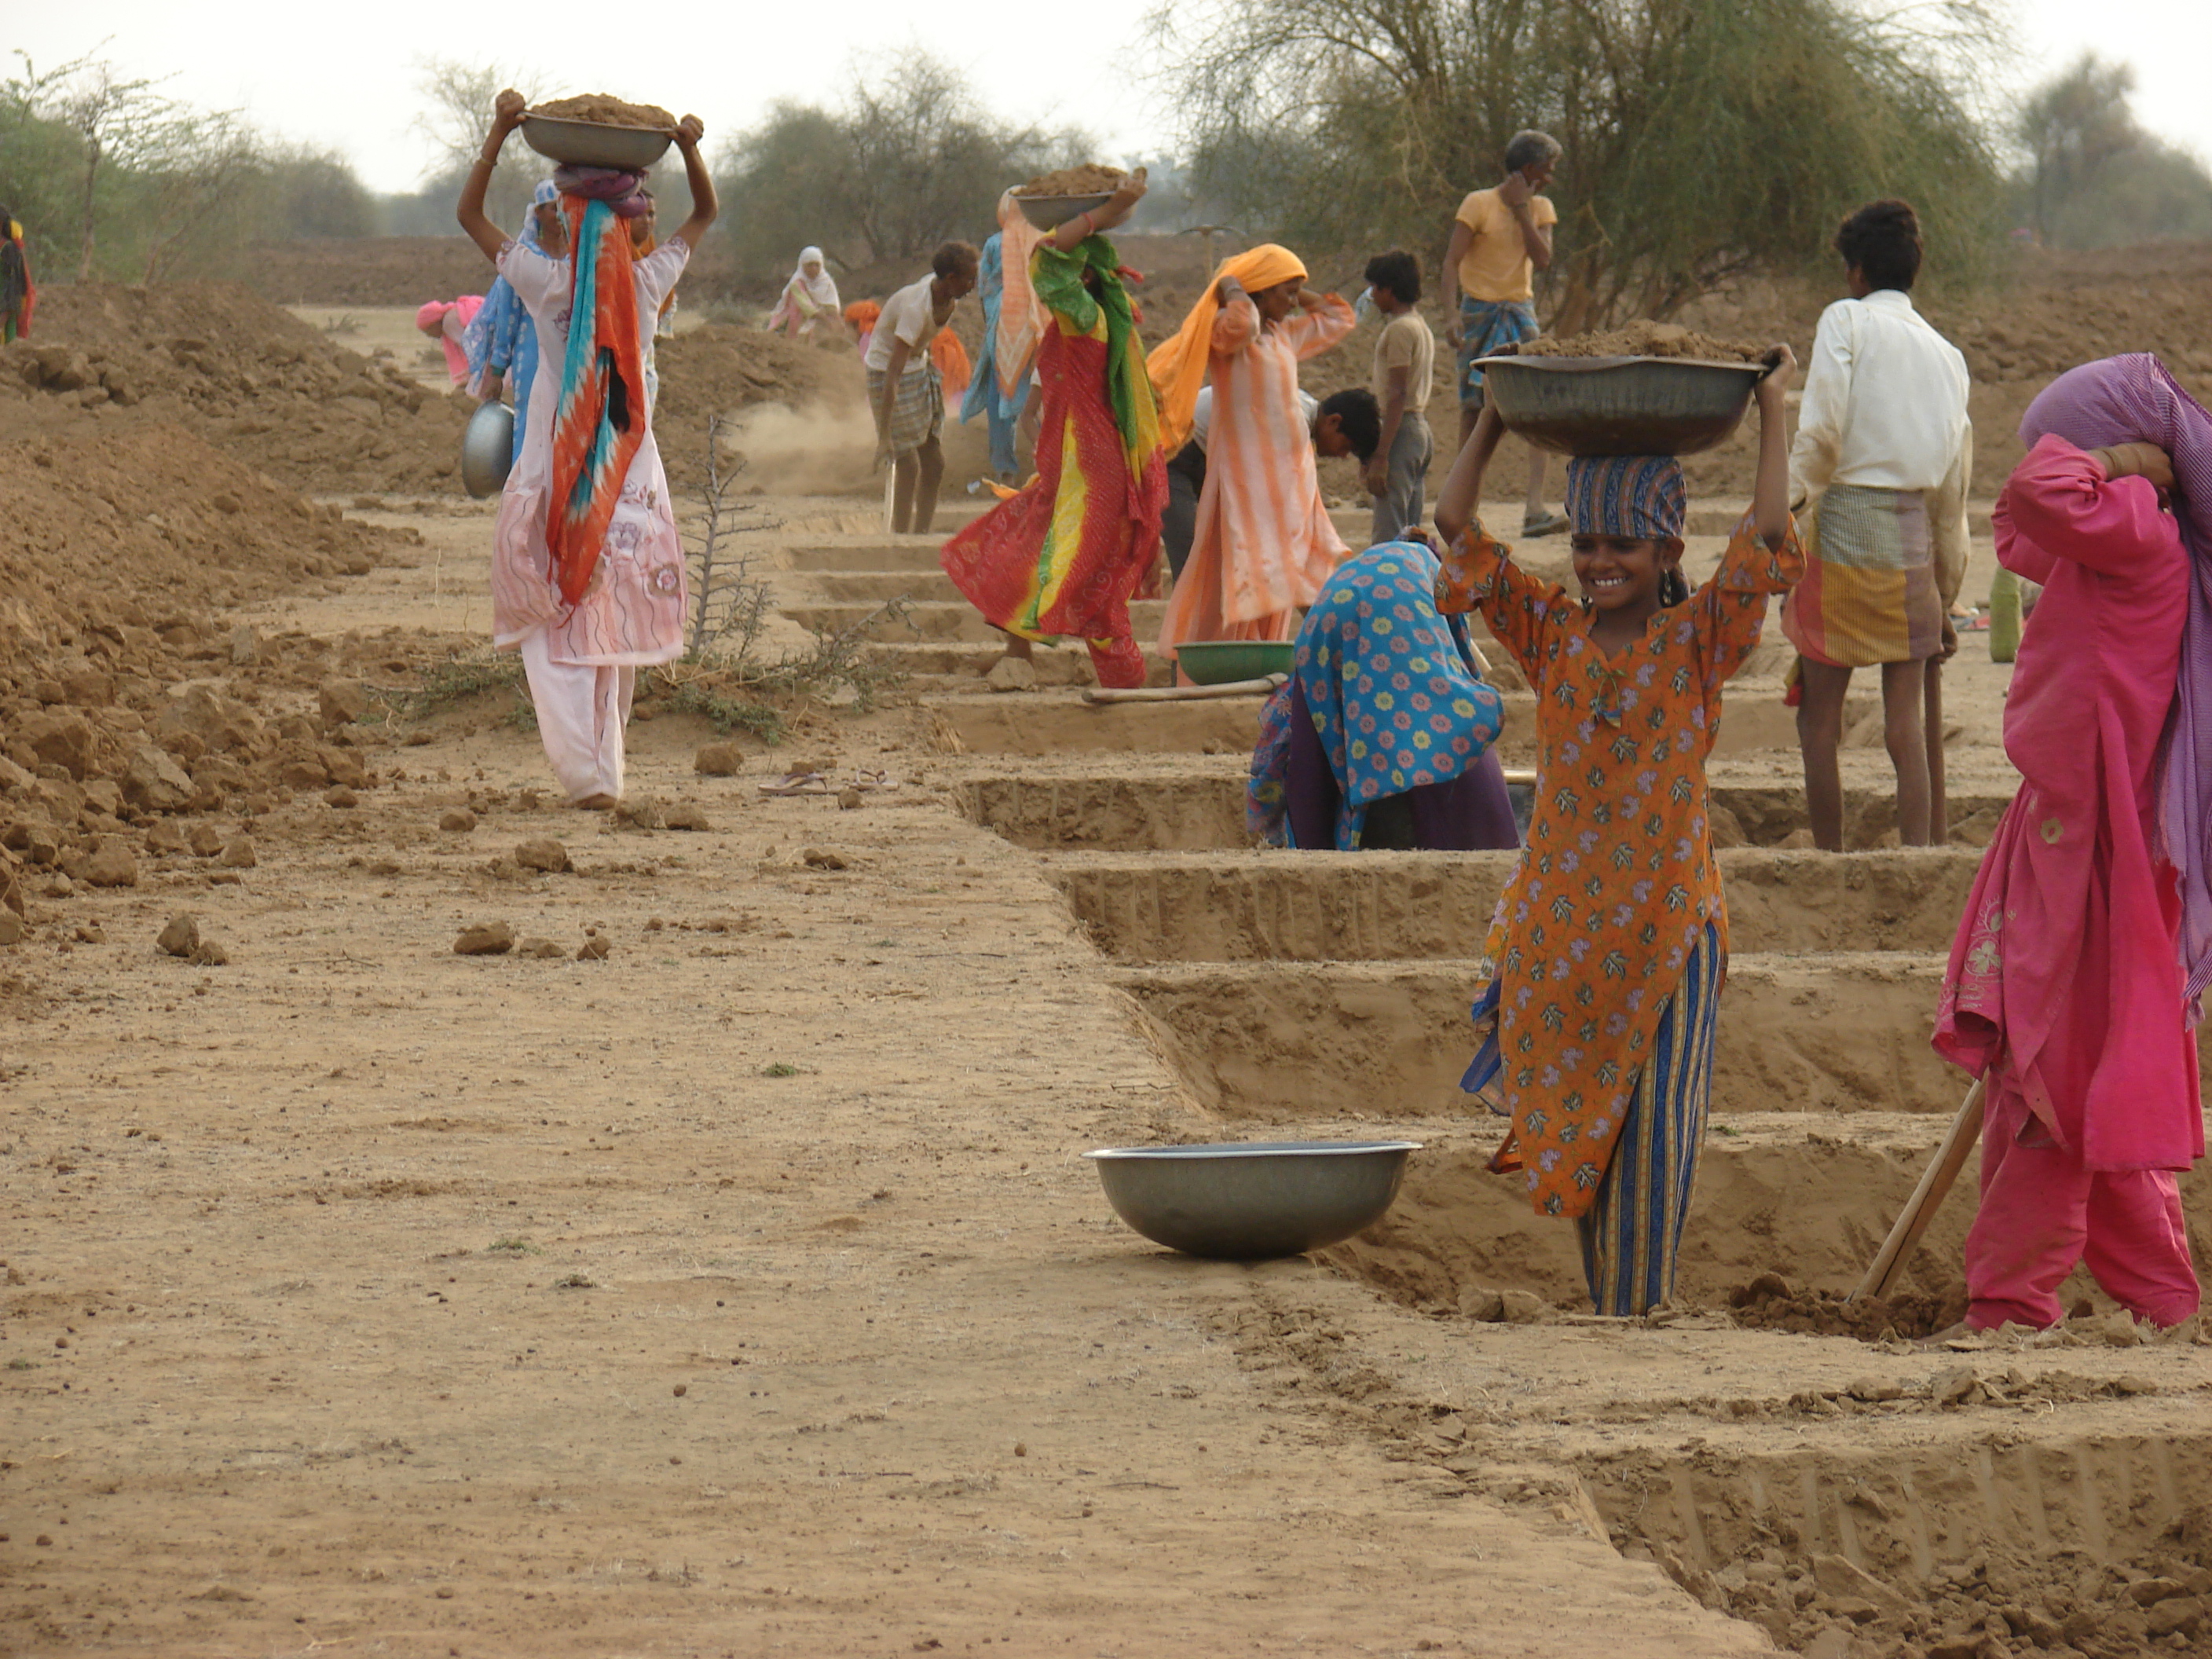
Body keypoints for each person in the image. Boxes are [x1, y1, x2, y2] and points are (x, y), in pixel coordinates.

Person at [1429, 346, 1803, 1316]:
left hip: (1668, 931)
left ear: (1666, 555)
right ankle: (1613, 1319)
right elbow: (1454, 523)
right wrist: (1496, 413)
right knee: (1583, 1129)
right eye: (1585, 545)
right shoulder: (1547, 634)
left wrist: (1771, 410)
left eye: (1621, 548)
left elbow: (1768, 530)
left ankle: (1631, 1319)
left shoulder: (1697, 642)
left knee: (1658, 1132)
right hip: (1560, 932)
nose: (1598, 564)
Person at [1932, 354, 2207, 1333]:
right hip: (2071, 836)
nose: (2062, 461)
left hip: (2094, 849)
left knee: (2049, 1079)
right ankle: (2162, 1299)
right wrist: (2111, 459)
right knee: (2084, 1075)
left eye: (2077, 445)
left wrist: (2130, 455)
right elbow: (2019, 528)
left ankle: (2009, 1303)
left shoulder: (2139, 534)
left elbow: (2035, 493)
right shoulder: (2111, 542)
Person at [456, 89, 718, 808]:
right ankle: (605, 768)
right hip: (630, 479)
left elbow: (469, 217)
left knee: (553, 619)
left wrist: (500, 131)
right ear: (629, 225)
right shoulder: (645, 283)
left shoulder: (546, 284)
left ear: (567, 219)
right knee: (614, 622)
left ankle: (587, 777)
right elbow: (705, 215)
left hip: (550, 473)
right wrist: (690, 148)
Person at [1784, 200, 1973, 851]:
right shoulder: (1948, 356)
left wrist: (1784, 511)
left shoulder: (1846, 320)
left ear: (1856, 271)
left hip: (1842, 533)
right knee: (1906, 728)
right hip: (1914, 541)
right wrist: (1944, 593)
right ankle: (1919, 858)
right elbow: (1952, 492)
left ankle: (1830, 859)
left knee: (1818, 720)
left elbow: (1823, 434)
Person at [939, 170, 1166, 689]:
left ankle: (1058, 658)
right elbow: (1051, 259)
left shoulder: (1087, 317)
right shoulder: (1099, 318)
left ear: (1080, 280)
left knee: (1074, 553)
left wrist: (1107, 212)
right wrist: (1108, 213)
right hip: (1086, 455)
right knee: (1040, 537)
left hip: (1092, 460)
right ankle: (1024, 654)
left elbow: (1047, 259)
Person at [1148, 245, 1357, 650]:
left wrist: (1294, 285)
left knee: (1284, 576)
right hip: (1242, 486)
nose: (1295, 303)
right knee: (1232, 576)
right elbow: (1241, 325)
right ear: (1260, 291)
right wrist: (1231, 286)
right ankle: (1201, 663)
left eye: (1297, 294)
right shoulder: (1230, 334)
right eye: (1287, 292)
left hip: (1281, 487)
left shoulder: (1284, 335)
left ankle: (1265, 657)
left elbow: (1340, 318)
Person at [1247, 537, 1517, 850]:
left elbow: (1298, 758)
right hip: (1392, 616)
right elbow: (1460, 654)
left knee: (1321, 751)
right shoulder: (1432, 578)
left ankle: (1317, 852)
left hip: (1324, 625)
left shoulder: (1392, 568)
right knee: (1446, 729)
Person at [1445, 130, 1565, 539]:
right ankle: (1463, 510)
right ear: (1528, 168)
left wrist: (1520, 212)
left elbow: (1543, 258)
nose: (1549, 178)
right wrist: (1450, 316)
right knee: (1472, 407)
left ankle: (1535, 508)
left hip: (1520, 311)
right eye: (1546, 170)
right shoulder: (1477, 204)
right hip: (1479, 313)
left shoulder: (1541, 207)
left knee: (1539, 404)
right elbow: (1451, 262)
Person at [1162, 387, 1380, 578]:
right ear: (1334, 421)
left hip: (1208, 458)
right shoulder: (1293, 425)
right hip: (1174, 454)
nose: (1341, 456)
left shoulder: (1300, 411)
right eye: (1345, 447)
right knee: (1191, 563)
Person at [866, 242, 980, 535]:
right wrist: (884, 435)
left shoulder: (945, 295)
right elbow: (893, 372)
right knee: (908, 465)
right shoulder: (916, 309)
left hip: (918, 368)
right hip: (887, 372)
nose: (973, 286)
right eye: (969, 279)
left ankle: (921, 537)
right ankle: (900, 539)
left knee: (935, 464)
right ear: (951, 279)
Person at [463, 181, 559, 467]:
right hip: (531, 358)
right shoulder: (524, 258)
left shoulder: (581, 257)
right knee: (532, 427)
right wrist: (496, 371)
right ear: (539, 213)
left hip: (572, 357)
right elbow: (507, 317)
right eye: (555, 208)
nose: (562, 215)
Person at [960, 194, 1048, 482]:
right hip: (1039, 325)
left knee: (1000, 395)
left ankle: (1006, 469)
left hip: (1003, 330)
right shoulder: (1045, 241)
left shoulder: (994, 244)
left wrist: (993, 332)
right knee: (1042, 395)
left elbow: (985, 290)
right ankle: (1050, 465)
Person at [1362, 249, 1437, 545]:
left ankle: (1382, 589)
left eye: (1375, 288)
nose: (1372, 295)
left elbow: (1397, 392)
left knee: (1389, 532)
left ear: (1388, 290)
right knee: (1410, 531)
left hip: (1402, 429)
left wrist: (1381, 455)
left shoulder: (1400, 330)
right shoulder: (1420, 326)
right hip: (1418, 429)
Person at [764, 246, 845, 342]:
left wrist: (837, 322)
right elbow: (807, 307)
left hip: (814, 322)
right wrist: (827, 322)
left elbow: (831, 305)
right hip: (795, 319)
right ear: (802, 265)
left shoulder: (826, 282)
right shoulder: (797, 283)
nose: (814, 269)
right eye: (810, 265)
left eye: (817, 265)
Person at [417, 295, 485, 387]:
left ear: (433, 323)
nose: (429, 336)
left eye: (427, 331)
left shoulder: (449, 323)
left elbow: (473, 347)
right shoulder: (455, 314)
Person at [1, 205, 33, 343]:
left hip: (7, 306)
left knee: (9, 343)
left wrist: (4, 308)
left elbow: (12, 282)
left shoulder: (9, 249)